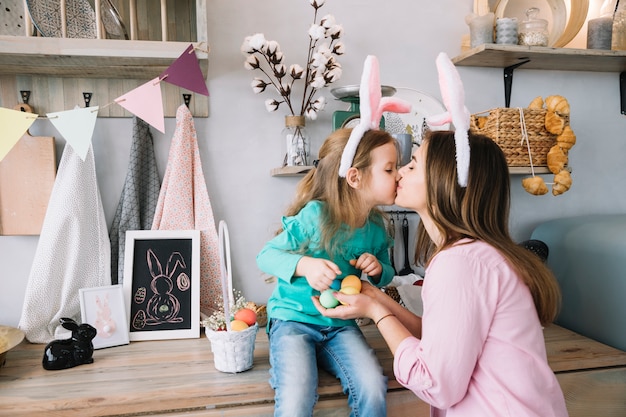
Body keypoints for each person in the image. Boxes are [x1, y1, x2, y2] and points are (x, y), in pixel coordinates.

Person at [313, 129, 569, 417]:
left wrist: (377, 313)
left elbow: (435, 383)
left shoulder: (460, 264)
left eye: (412, 164)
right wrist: (376, 298)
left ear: (443, 181)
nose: (399, 174)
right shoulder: (476, 255)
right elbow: (441, 338)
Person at [256, 127, 399, 417]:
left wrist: (377, 269)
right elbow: (266, 255)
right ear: (355, 178)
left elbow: (387, 273)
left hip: (341, 326)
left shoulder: (376, 228)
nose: (398, 175)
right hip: (292, 321)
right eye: (389, 169)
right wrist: (304, 265)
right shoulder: (315, 216)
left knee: (372, 386)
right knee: (296, 397)